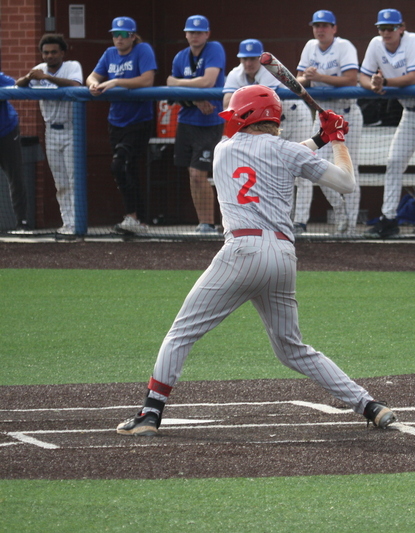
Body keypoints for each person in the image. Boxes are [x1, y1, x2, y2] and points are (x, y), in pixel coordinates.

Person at [116, 85, 397, 436]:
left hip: (241, 252)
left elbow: (275, 153)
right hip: (282, 257)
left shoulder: (223, 150)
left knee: (181, 334)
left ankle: (150, 413)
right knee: (292, 349)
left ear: (245, 116)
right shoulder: (284, 150)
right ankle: (369, 405)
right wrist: (335, 139)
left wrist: (320, 137)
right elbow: (345, 183)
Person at [360, 8, 415, 238]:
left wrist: (385, 81)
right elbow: (362, 75)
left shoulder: (413, 40)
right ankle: (388, 219)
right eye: (382, 28)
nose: (386, 32)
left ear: (401, 28)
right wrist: (373, 85)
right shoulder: (376, 44)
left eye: (391, 28)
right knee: (394, 161)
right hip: (409, 114)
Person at [221, 39, 314, 235]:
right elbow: (227, 103)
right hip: (269, 124)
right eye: (245, 58)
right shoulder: (235, 74)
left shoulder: (268, 71)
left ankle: (300, 221)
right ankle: (279, 220)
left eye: (253, 58)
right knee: (273, 170)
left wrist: (241, 98)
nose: (249, 63)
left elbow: (259, 100)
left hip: (296, 118)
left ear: (259, 58)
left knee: (301, 168)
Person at [295, 10, 363, 235]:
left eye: (325, 25)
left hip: (346, 114)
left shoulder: (344, 46)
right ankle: (341, 213)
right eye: (316, 25)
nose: (320, 29)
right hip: (322, 115)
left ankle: (350, 228)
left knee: (352, 171)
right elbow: (298, 80)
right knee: (315, 166)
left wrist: (319, 77)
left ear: (334, 28)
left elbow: (351, 79)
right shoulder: (309, 47)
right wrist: (308, 76)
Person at [86, 16, 157, 235]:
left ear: (133, 36)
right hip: (115, 121)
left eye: (124, 34)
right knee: (128, 170)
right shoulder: (109, 54)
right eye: (115, 34)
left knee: (120, 166)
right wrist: (94, 84)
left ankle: (133, 217)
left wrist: (116, 81)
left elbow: (147, 80)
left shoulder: (143, 50)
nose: (119, 38)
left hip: (138, 120)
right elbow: (92, 76)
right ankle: (139, 221)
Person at [16, 34, 83, 235]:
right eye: (46, 52)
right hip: (50, 130)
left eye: (54, 52)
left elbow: (76, 86)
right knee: (60, 182)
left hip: (72, 129)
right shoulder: (39, 70)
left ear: (62, 52)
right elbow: (19, 85)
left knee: (74, 180)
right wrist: (29, 77)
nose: (50, 56)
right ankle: (68, 224)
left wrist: (47, 78)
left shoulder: (72, 66)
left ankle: (78, 223)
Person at [167, 15, 226, 234]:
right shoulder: (180, 56)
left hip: (210, 121)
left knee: (199, 173)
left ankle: (210, 223)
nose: (195, 36)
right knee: (192, 175)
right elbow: (170, 87)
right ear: (185, 34)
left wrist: (179, 83)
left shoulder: (214, 49)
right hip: (186, 120)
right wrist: (194, 98)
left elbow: (208, 81)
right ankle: (203, 223)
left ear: (207, 34)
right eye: (191, 32)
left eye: (199, 32)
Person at [0, 72, 29, 231]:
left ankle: (22, 222)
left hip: (6, 131)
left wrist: (29, 78)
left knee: (15, 177)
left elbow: (16, 86)